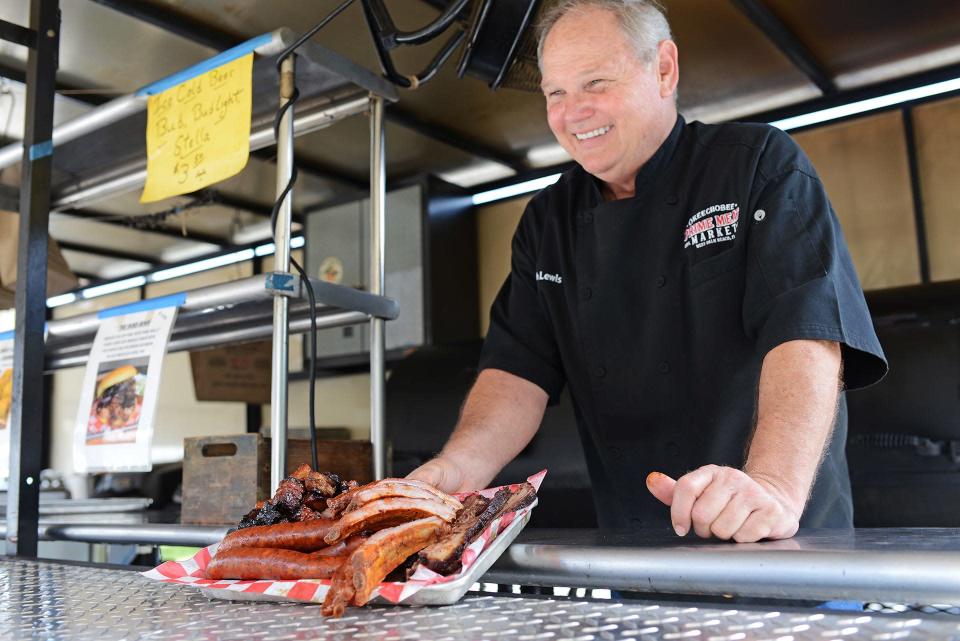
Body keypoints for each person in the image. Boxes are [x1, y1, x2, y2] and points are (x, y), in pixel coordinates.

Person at [409, 0, 887, 542]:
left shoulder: (757, 163)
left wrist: (773, 484)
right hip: (636, 546)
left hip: (778, 536)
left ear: (664, 69)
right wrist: (455, 471)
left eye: (595, 83)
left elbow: (807, 333)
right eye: (555, 94)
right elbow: (516, 372)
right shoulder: (548, 222)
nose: (573, 112)